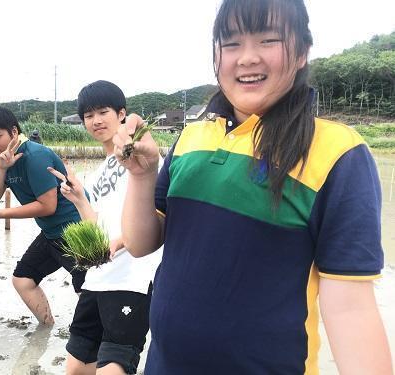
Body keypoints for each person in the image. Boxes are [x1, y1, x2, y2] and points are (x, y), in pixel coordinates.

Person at [112, 0, 393, 374]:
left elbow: (351, 307)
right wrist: (142, 175)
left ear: (302, 52)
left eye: (268, 40)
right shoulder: (191, 138)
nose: (246, 58)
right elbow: (141, 242)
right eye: (231, 44)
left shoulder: (337, 153)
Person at [48, 80, 162, 375]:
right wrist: (78, 199)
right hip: (96, 280)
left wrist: (122, 242)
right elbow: (96, 227)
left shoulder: (141, 157)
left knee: (112, 369)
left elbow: (156, 216)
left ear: (121, 113)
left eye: (103, 111)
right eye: (88, 115)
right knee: (75, 369)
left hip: (131, 280)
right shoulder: (100, 171)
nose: (96, 121)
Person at [0, 106, 86, 325]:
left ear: (14, 132)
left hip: (75, 230)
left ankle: (92, 345)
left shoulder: (35, 156)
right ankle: (46, 329)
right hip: (52, 232)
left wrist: (0, 214)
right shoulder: (1, 160)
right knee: (23, 279)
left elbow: (47, 206)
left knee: (88, 292)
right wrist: (1, 169)